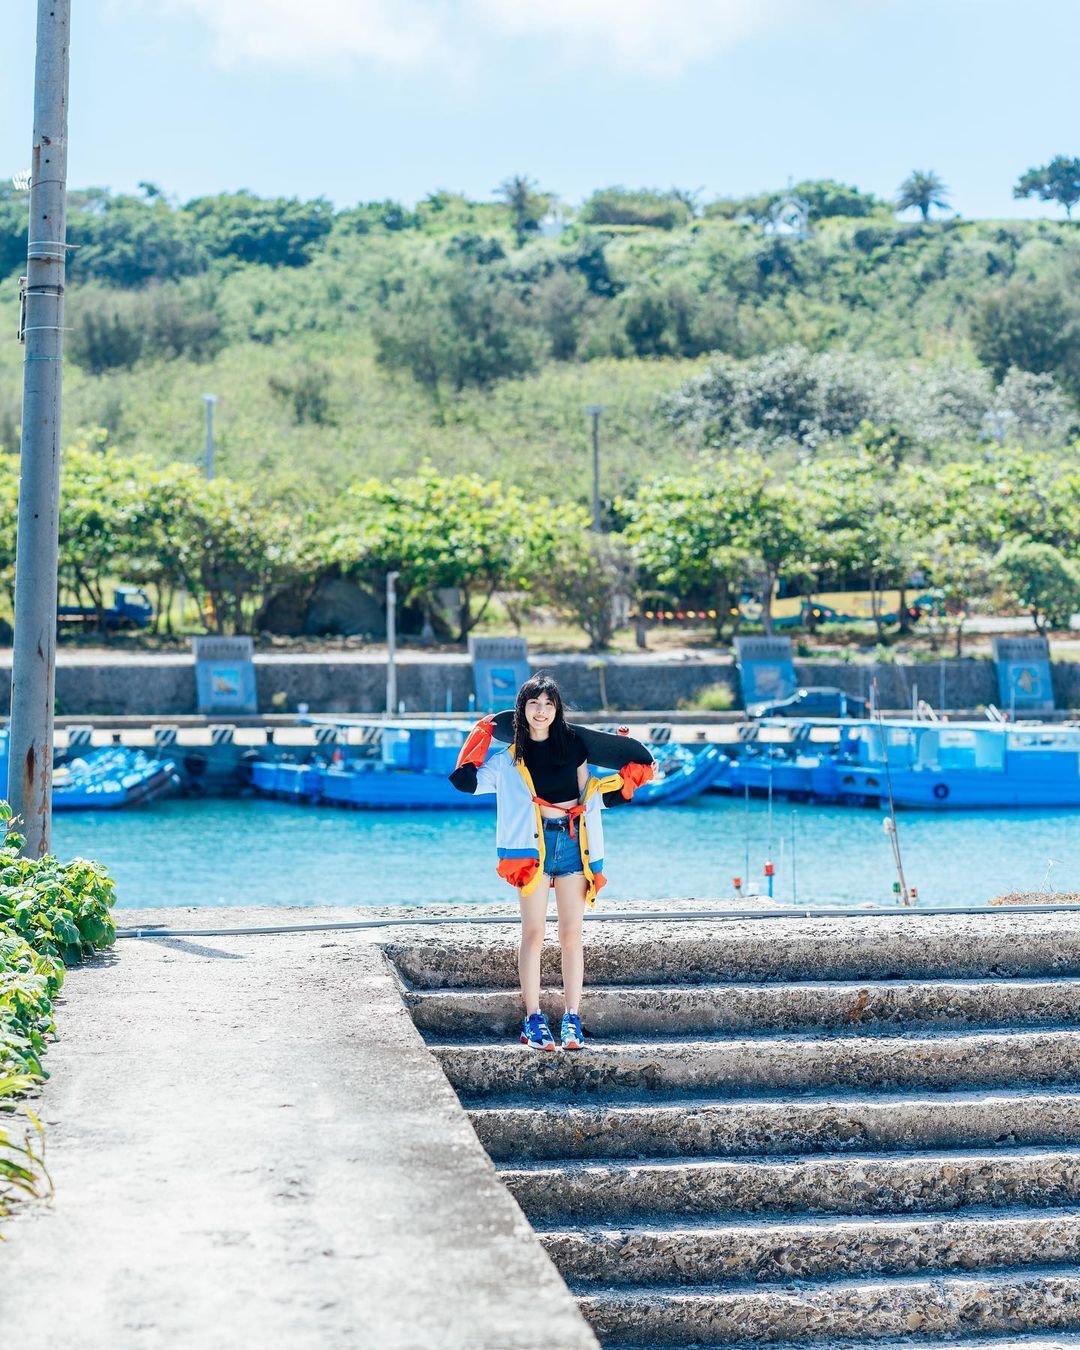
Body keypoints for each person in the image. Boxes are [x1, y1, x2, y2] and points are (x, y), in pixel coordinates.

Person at [449, 673, 652, 1052]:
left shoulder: (573, 746)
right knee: (533, 933)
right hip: (531, 849)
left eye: (548, 704)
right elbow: (465, 782)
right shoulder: (509, 759)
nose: (541, 711)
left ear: (557, 709)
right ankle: (533, 1019)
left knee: (571, 935)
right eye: (533, 703)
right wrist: (480, 734)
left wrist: (631, 776)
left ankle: (572, 1018)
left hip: (574, 843)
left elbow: (590, 793)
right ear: (522, 710)